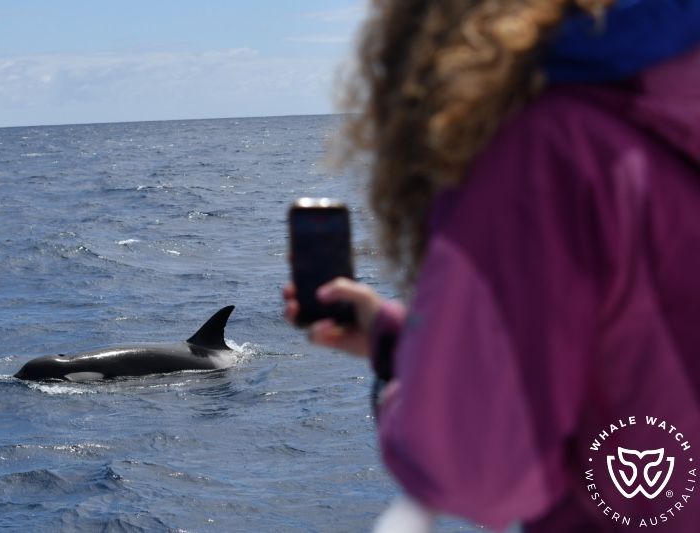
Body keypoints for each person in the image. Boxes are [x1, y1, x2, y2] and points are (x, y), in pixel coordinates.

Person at [284, 0, 700, 531]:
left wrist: (396, 392)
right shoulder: (666, 112)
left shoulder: (544, 149)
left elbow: (475, 471)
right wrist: (398, 342)